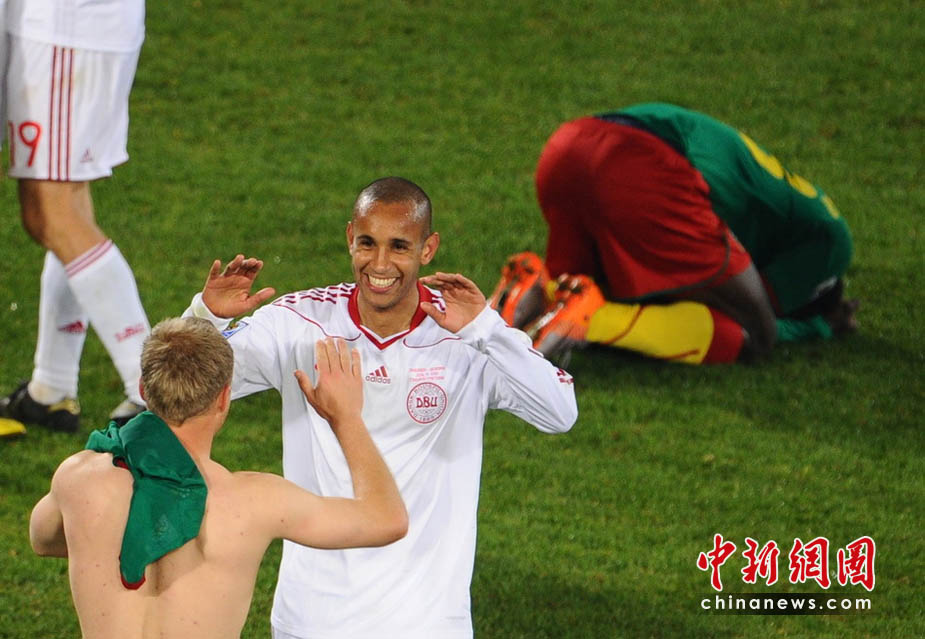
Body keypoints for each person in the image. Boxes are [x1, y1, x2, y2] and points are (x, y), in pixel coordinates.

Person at [183, 176, 577, 638]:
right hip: (312, 622)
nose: (381, 264)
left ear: (428, 249)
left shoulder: (465, 335)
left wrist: (487, 330)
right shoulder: (299, 323)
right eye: (368, 243)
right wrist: (205, 318)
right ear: (350, 237)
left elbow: (560, 412)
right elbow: (181, 392)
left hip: (427, 624)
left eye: (399, 246)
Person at [30, 317, 408, 639]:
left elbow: (43, 540)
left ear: (144, 390)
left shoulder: (80, 478)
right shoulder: (256, 502)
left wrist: (102, 536)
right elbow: (386, 519)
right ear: (224, 398)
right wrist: (346, 418)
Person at [490, 102, 857, 364]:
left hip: (568, 147)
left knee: (581, 289)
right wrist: (817, 327)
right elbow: (761, 321)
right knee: (755, 336)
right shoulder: (829, 244)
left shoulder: (785, 203)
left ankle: (531, 290)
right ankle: (595, 322)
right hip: (644, 170)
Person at [0, 0, 151, 432]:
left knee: (54, 214)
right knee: (63, 207)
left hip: (64, 30)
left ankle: (154, 393)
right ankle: (51, 388)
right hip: (76, 30)